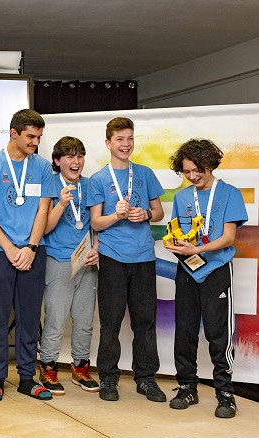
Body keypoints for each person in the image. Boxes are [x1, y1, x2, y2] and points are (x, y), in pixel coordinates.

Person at [0, 109, 54, 402]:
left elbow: (43, 209)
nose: (35, 142)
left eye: (39, 137)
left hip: (33, 252)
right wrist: (9, 248)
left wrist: (31, 247)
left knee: (29, 318)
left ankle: (27, 378)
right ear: (13, 133)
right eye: (30, 136)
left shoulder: (42, 167)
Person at [165, 139, 247, 418]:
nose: (191, 176)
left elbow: (229, 237)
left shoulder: (230, 193)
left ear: (209, 164)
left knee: (217, 333)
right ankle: (187, 387)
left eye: (196, 170)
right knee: (185, 332)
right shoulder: (182, 198)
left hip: (216, 271)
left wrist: (197, 250)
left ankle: (225, 393)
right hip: (187, 271)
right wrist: (173, 243)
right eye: (186, 171)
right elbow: (177, 232)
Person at [87, 116, 166, 403]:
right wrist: (115, 216)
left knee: (145, 321)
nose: (126, 144)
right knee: (110, 322)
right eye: (120, 139)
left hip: (143, 257)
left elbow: (159, 212)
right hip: (112, 257)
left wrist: (145, 214)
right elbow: (95, 223)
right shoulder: (98, 179)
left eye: (130, 138)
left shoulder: (144, 173)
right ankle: (108, 377)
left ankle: (146, 379)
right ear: (108, 143)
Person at [39, 136, 100, 395]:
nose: (76, 162)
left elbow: (95, 223)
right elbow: (44, 227)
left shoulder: (91, 184)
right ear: (57, 161)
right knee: (56, 318)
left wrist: (97, 248)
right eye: (70, 156)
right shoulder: (50, 184)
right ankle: (48, 366)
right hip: (58, 259)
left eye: (80, 156)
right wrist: (62, 203)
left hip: (86, 261)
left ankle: (81, 366)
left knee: (85, 319)